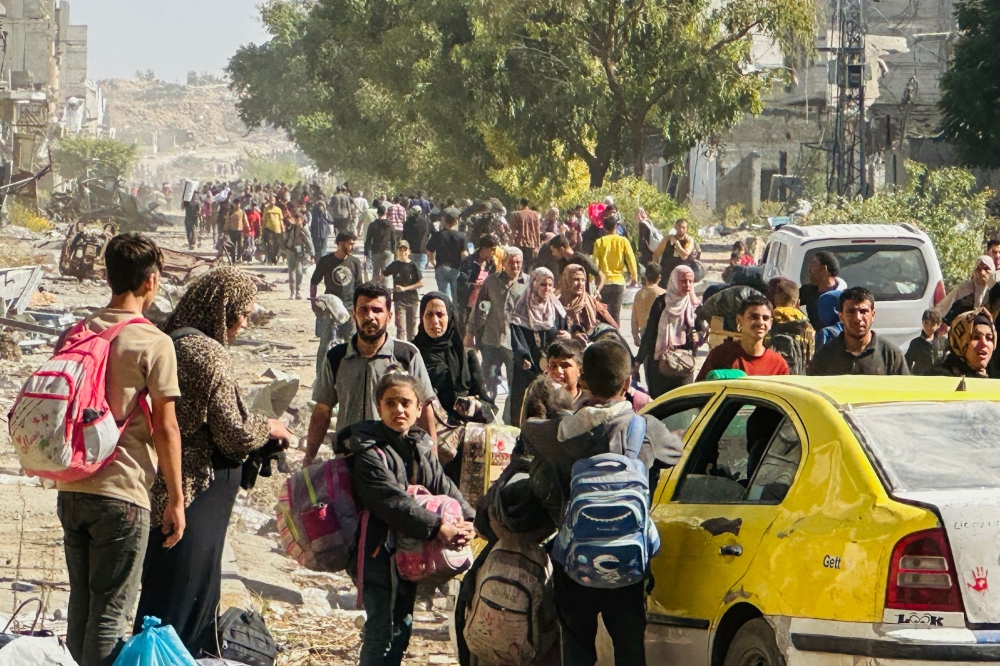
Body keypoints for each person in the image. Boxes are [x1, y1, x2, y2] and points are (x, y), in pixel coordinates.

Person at [134, 268, 292, 652]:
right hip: (197, 486)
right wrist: (270, 427)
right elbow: (232, 430)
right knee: (189, 587)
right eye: (242, 313)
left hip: (161, 479)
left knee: (162, 583)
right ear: (224, 310)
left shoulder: (167, 339)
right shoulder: (207, 353)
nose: (244, 323)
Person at [58, 234, 185, 666]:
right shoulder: (153, 342)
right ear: (151, 281)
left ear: (108, 276)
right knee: (111, 615)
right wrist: (177, 499)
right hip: (122, 493)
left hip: (72, 486)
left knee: (82, 609)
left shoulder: (78, 330)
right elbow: (167, 428)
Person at [522, 340, 681, 666]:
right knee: (629, 649)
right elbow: (676, 452)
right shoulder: (645, 430)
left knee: (578, 650)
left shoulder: (562, 434)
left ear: (582, 382)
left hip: (575, 563)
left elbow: (529, 429)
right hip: (628, 564)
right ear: (627, 383)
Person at [341, 373, 474, 666]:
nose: (398, 410)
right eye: (391, 403)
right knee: (381, 630)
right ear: (379, 407)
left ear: (417, 409)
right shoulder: (368, 451)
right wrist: (440, 527)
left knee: (401, 628)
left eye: (405, 403)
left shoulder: (419, 447)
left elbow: (444, 486)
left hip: (407, 552)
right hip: (375, 554)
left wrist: (468, 520)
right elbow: (393, 502)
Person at [303, 283, 437, 467]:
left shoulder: (406, 355)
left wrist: (432, 463)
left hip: (394, 461)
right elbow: (323, 409)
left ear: (389, 316)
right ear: (353, 314)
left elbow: (425, 410)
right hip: (348, 458)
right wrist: (309, 458)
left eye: (377, 310)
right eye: (363, 310)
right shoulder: (337, 357)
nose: (370, 316)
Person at [465, 248, 529, 417]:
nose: (515, 266)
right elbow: (478, 308)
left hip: (515, 344)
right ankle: (488, 417)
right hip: (491, 341)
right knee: (488, 381)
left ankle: (509, 419)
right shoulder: (491, 282)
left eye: (518, 263)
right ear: (504, 263)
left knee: (515, 385)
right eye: (511, 262)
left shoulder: (528, 283)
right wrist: (470, 333)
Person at [509, 267, 567, 426]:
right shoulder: (522, 307)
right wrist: (523, 356)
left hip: (551, 364)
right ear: (534, 284)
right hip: (529, 364)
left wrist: (566, 336)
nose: (547, 289)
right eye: (543, 284)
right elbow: (517, 335)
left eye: (550, 285)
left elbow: (564, 329)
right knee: (525, 399)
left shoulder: (556, 308)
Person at [808, 287, 908, 375]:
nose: (857, 318)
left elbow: (906, 393)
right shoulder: (825, 356)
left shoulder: (891, 356)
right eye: (851, 312)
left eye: (863, 311)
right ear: (841, 316)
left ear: (872, 315)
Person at [636, 265, 701, 398]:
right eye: (683, 281)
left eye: (690, 281)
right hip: (661, 367)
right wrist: (638, 360)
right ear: (674, 282)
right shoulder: (662, 303)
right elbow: (650, 333)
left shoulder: (694, 305)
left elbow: (701, 330)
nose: (687, 285)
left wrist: (697, 336)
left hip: (683, 367)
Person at [697, 295, 790, 380]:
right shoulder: (721, 355)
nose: (760, 322)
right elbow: (699, 391)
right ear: (739, 320)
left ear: (770, 324)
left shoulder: (778, 366)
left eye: (765, 318)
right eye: (754, 317)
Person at [311, 232, 363, 371]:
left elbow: (359, 287)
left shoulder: (355, 262)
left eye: (353, 244)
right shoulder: (326, 261)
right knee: (325, 342)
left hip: (349, 308)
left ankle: (350, 372)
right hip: (330, 307)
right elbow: (314, 282)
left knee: (351, 342)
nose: (352, 247)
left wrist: (358, 308)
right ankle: (320, 374)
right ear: (340, 243)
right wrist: (313, 302)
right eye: (349, 243)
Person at [592, 216, 638, 325]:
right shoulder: (623, 241)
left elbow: (595, 264)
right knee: (616, 314)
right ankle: (616, 336)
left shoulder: (599, 242)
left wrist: (593, 280)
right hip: (618, 282)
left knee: (603, 313)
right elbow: (631, 259)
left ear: (604, 228)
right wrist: (634, 277)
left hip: (604, 283)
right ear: (616, 227)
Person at [766, 278, 815, 375]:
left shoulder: (768, 320)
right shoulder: (807, 327)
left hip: (771, 376)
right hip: (796, 380)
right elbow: (809, 360)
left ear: (775, 300)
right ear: (798, 303)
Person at [930, 308, 996, 378]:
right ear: (959, 341)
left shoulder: (994, 375)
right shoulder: (940, 377)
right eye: (976, 337)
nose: (984, 343)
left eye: (989, 338)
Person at [456, 235, 499, 336]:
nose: (494, 252)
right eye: (492, 249)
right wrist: (474, 286)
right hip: (468, 300)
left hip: (483, 300)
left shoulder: (491, 263)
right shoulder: (469, 261)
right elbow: (462, 282)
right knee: (464, 329)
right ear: (484, 248)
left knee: (482, 328)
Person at [935, 255, 998, 325]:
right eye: (978, 269)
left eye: (986, 269)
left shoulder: (996, 291)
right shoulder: (965, 288)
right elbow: (945, 305)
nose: (982, 272)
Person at [559, 263, 616, 337]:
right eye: (575, 279)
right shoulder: (557, 304)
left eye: (583, 280)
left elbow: (613, 326)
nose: (580, 284)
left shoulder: (591, 302)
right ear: (566, 280)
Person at [383, 240, 423, 341]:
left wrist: (405, 288)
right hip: (399, 301)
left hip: (412, 300)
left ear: (409, 252)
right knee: (400, 328)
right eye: (400, 250)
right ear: (397, 252)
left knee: (412, 329)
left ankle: (412, 349)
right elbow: (382, 275)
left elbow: (421, 283)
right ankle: (400, 350)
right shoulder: (394, 265)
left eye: (405, 250)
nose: (403, 253)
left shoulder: (413, 266)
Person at [798, 251, 848, 330]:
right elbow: (789, 301)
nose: (809, 268)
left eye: (813, 264)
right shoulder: (807, 291)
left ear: (824, 269)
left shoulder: (844, 296)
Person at [427, 212, 466, 303]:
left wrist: (433, 262)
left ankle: (447, 313)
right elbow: (465, 254)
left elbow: (429, 252)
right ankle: (455, 314)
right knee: (456, 298)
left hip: (441, 267)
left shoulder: (437, 235)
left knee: (444, 297)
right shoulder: (461, 236)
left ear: (444, 222)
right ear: (456, 222)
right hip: (456, 268)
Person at [653, 218, 696, 287]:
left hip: (682, 273)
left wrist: (676, 242)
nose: (681, 229)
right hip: (667, 273)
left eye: (683, 227)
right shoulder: (667, 239)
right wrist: (655, 270)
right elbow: (656, 254)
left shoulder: (689, 240)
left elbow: (684, 256)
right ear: (675, 227)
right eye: (679, 227)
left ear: (687, 229)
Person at [906, 309, 949, 375]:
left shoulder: (943, 342)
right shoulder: (916, 343)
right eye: (926, 323)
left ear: (939, 325)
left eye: (932, 324)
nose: (928, 327)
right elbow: (907, 363)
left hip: (938, 379)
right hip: (921, 379)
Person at [631, 263, 665, 347]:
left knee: (646, 356)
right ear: (659, 277)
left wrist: (635, 335)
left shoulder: (639, 294)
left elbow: (634, 316)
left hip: (644, 331)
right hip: (660, 330)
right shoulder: (663, 293)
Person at [283, 213, 314, 300]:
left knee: (299, 272)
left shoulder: (304, 230)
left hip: (299, 253)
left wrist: (312, 255)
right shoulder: (291, 228)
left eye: (298, 219)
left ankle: (298, 292)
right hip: (290, 252)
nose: (297, 221)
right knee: (291, 272)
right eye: (296, 219)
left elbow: (309, 243)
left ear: (302, 220)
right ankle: (292, 292)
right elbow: (285, 238)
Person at [365, 204, 397, 282]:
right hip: (387, 250)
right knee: (385, 273)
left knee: (375, 272)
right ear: (385, 212)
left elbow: (368, 240)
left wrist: (366, 253)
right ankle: (385, 290)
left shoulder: (373, 225)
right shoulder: (390, 224)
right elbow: (394, 239)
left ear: (377, 213)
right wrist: (394, 251)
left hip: (376, 250)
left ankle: (374, 290)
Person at [509, 197, 541, 266]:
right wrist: (538, 245)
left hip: (519, 242)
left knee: (519, 264)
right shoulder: (535, 215)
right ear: (528, 204)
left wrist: (510, 243)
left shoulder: (516, 214)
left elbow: (514, 231)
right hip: (531, 243)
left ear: (520, 204)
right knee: (529, 266)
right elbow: (537, 231)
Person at [402, 206, 431, 272]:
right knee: (419, 272)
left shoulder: (408, 222)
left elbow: (404, 236)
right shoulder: (425, 222)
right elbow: (428, 234)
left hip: (410, 249)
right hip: (421, 249)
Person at [262, 196, 285, 265]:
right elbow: (264, 220)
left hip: (277, 230)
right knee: (270, 244)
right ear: (269, 201)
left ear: (275, 201)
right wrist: (262, 229)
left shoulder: (278, 210)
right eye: (271, 200)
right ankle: (273, 260)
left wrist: (282, 228)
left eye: (273, 200)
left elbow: (281, 220)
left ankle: (275, 256)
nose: (272, 202)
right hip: (269, 229)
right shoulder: (266, 209)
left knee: (277, 245)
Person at [224, 199, 247, 264]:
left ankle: (239, 258)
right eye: (236, 204)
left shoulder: (242, 212)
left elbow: (245, 221)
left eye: (239, 204)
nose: (237, 205)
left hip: (240, 231)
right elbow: (227, 222)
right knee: (232, 246)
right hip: (232, 231)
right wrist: (226, 230)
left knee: (240, 246)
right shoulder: (230, 212)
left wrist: (248, 230)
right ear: (234, 204)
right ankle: (233, 259)